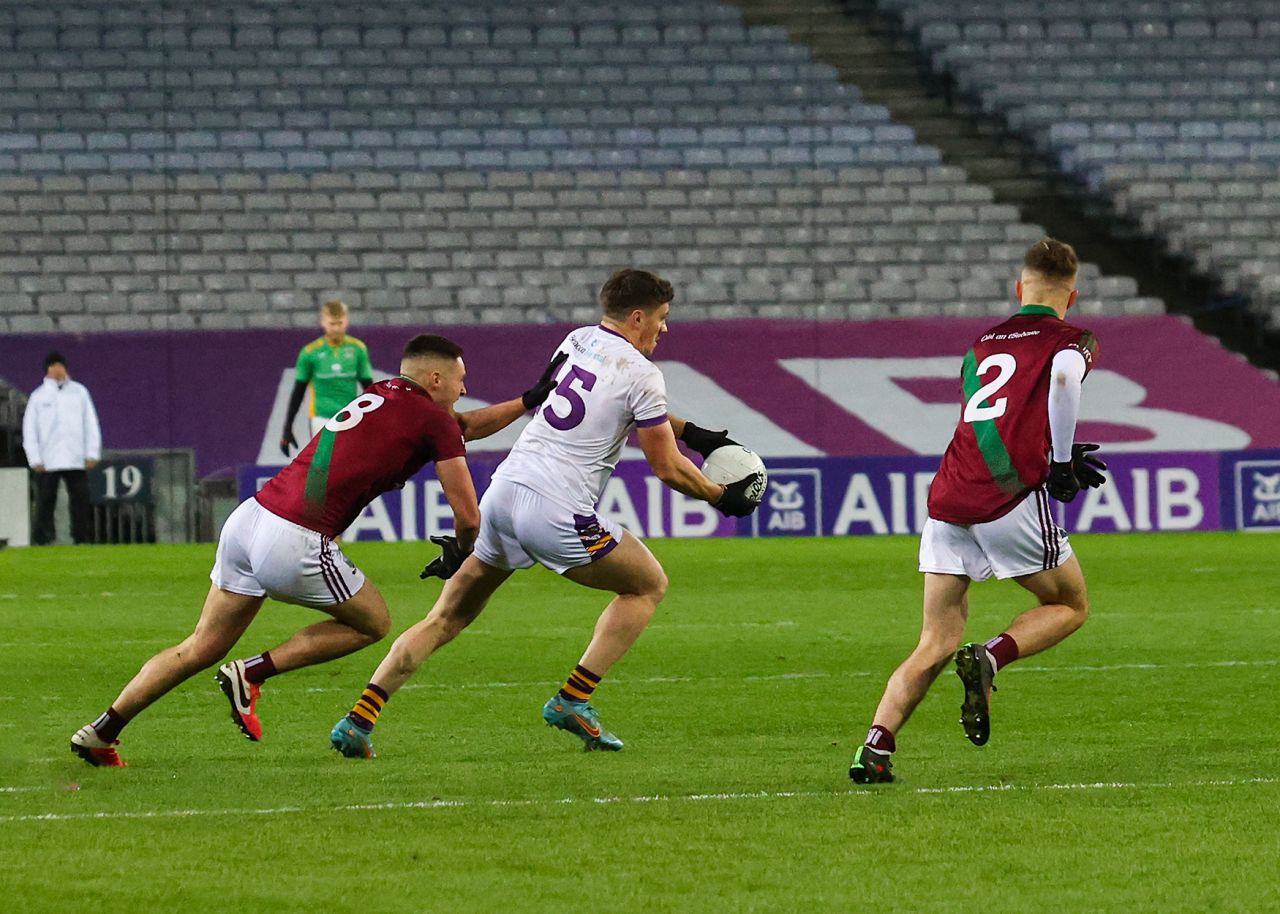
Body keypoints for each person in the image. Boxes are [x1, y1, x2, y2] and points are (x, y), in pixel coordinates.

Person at [70, 334, 566, 767]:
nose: (463, 388)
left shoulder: (385, 394)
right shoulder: (432, 420)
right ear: (435, 379)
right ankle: (252, 672)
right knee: (373, 622)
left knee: (200, 644)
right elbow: (469, 516)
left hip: (249, 519)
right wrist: (461, 552)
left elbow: (467, 425)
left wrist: (528, 400)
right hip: (296, 536)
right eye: (460, 380)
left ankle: (102, 730)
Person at [329, 268, 763, 760]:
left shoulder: (578, 341)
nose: (664, 329)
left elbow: (629, 407)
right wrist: (719, 495)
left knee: (446, 616)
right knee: (647, 584)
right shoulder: (644, 374)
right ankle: (573, 699)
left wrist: (697, 434)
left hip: (505, 493)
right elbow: (665, 466)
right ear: (638, 316)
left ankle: (359, 719)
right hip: (556, 510)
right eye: (661, 319)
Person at [848, 238, 1109, 784]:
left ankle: (874, 747)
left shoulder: (983, 343)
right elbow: (1062, 379)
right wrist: (1059, 461)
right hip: (1006, 497)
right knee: (1070, 604)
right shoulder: (1072, 338)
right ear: (1072, 295)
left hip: (949, 497)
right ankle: (992, 656)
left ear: (1020, 289)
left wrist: (1052, 450)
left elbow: (1000, 417)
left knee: (935, 641)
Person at [23, 351, 102, 545]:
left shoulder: (79, 392)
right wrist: (34, 458)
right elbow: (30, 430)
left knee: (80, 500)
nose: (58, 369)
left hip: (75, 457)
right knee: (45, 501)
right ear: (48, 369)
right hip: (48, 459)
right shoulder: (38, 396)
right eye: (54, 365)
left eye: (60, 365)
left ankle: (81, 537)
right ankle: (43, 538)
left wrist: (92, 452)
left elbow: (90, 423)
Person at [280, 299, 374, 456]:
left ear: (347, 321)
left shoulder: (358, 349)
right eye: (332, 324)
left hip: (350, 417)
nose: (337, 328)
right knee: (324, 467)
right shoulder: (310, 352)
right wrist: (287, 428)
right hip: (321, 418)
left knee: (350, 465)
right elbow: (298, 391)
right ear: (323, 322)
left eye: (340, 323)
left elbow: (369, 388)